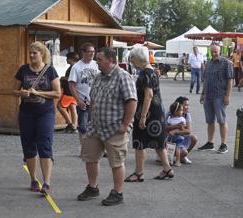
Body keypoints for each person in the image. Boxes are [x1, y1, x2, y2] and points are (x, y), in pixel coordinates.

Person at [77, 48, 137, 206]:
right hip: (95, 127)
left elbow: (132, 101)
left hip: (114, 128)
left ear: (111, 60)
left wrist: (125, 124)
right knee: (90, 158)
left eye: (100, 59)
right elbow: (93, 99)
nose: (97, 62)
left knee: (116, 162)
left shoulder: (123, 77)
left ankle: (117, 193)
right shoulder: (98, 77)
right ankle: (93, 187)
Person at [13, 41, 61, 195]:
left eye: (35, 53)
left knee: (45, 144)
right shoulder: (23, 70)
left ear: (42, 54)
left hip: (45, 113)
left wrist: (38, 93)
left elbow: (57, 93)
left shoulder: (50, 71)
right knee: (28, 146)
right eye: (30, 52)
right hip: (26, 113)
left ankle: (46, 183)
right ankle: (34, 179)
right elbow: (14, 90)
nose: (32, 55)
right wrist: (22, 93)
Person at [124, 46, 174, 183]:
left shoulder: (144, 73)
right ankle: (167, 169)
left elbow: (148, 95)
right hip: (157, 111)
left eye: (132, 59)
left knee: (140, 142)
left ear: (138, 59)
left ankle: (139, 173)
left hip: (147, 112)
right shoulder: (152, 71)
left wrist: (143, 116)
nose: (132, 62)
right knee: (158, 142)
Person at [198, 44, 233, 154]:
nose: (214, 53)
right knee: (210, 120)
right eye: (212, 51)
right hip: (208, 95)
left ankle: (224, 144)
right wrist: (202, 94)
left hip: (220, 95)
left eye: (216, 51)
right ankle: (210, 143)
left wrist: (227, 95)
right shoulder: (208, 63)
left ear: (220, 51)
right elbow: (206, 80)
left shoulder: (226, 63)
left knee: (221, 120)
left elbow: (230, 80)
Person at [68, 43, 99, 156]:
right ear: (83, 52)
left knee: (98, 126)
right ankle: (84, 149)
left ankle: (98, 149)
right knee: (83, 127)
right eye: (89, 51)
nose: (92, 54)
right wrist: (78, 100)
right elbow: (72, 85)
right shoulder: (76, 67)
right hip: (84, 101)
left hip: (97, 101)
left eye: (93, 52)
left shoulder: (97, 65)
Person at [57, 52, 79, 133]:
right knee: (73, 107)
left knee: (60, 106)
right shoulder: (77, 67)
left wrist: (63, 78)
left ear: (71, 59)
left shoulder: (73, 67)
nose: (66, 60)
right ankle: (75, 125)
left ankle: (70, 124)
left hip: (69, 91)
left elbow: (72, 79)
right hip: (75, 91)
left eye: (67, 58)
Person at [174, 96, 197, 163]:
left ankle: (182, 157)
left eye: (188, 105)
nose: (187, 107)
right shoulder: (170, 114)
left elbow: (188, 131)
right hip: (170, 140)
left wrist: (176, 132)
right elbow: (165, 129)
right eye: (185, 105)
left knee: (194, 138)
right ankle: (165, 156)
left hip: (179, 138)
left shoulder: (187, 115)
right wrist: (178, 127)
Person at [165, 102, 190, 167]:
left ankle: (169, 161)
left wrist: (174, 129)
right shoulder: (182, 119)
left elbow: (168, 126)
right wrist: (178, 127)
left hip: (170, 137)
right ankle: (177, 161)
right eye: (181, 110)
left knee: (170, 148)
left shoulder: (170, 119)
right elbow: (183, 128)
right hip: (178, 137)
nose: (182, 112)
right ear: (176, 112)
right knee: (177, 148)